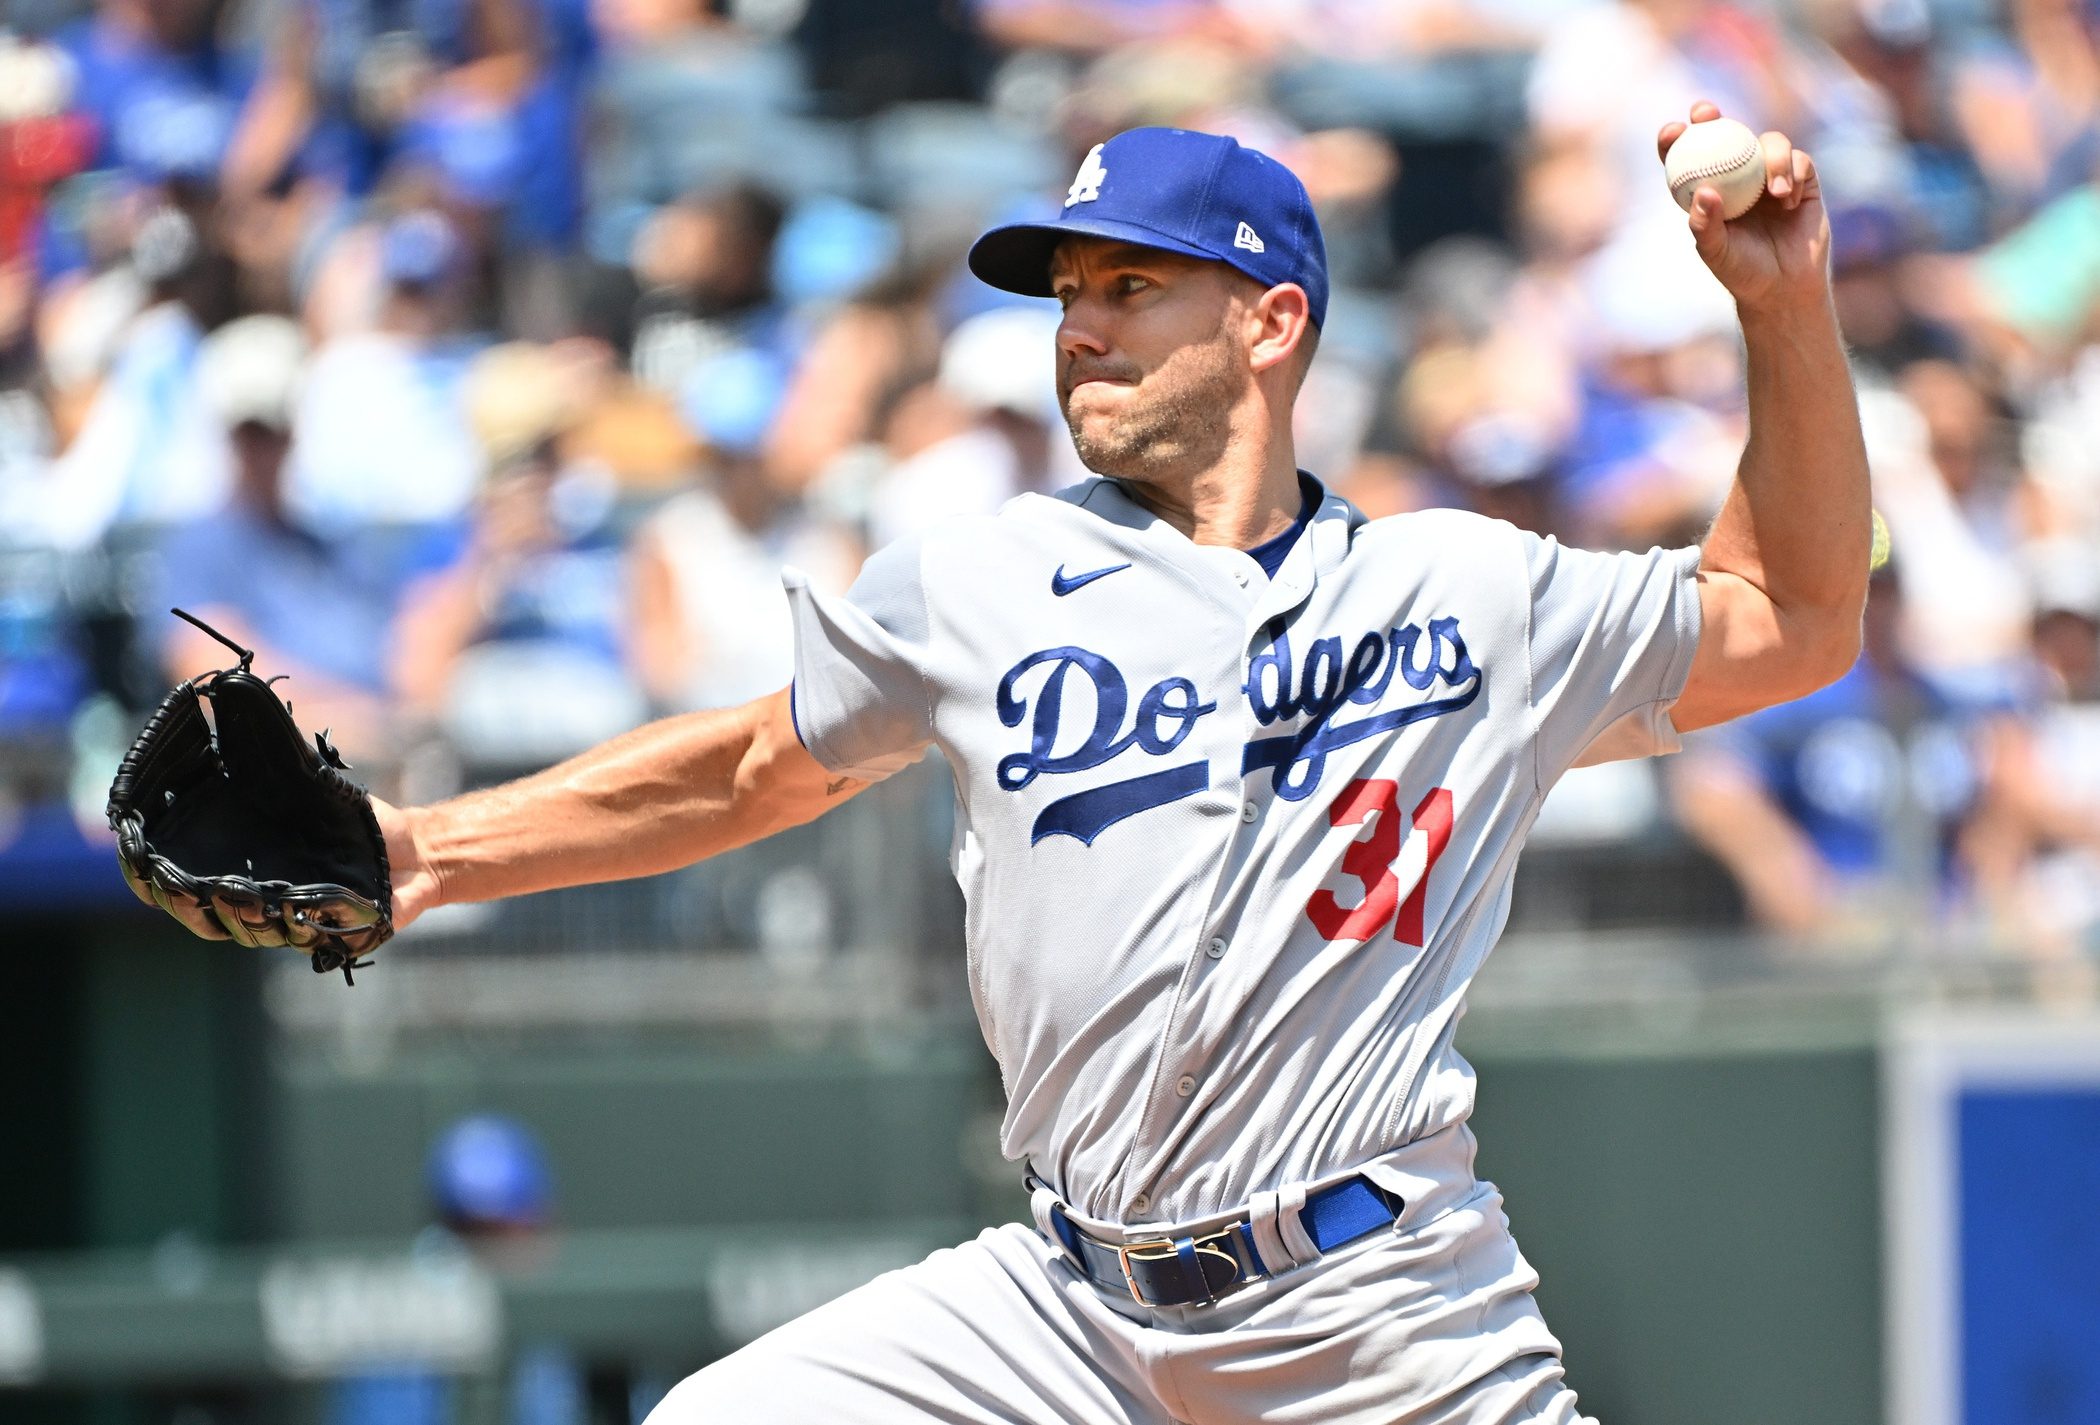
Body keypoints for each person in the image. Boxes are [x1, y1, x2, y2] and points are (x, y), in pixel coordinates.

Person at [146, 111, 1870, 1423]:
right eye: (1068, 293)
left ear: (1271, 323)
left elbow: (1793, 615)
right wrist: (425, 849)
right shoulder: (980, 576)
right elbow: (752, 767)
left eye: (1131, 285)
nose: (1082, 327)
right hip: (1065, 1315)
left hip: (1382, 1315)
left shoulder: (1469, 589)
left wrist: (1782, 311)